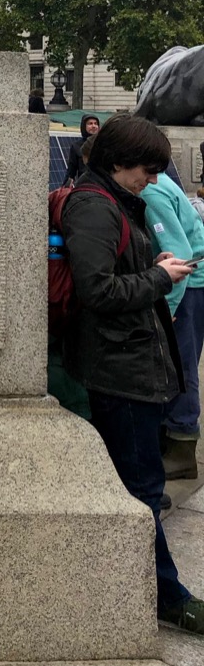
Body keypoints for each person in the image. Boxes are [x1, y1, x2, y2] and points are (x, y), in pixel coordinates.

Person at [59, 113, 203, 634]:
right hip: (120, 369)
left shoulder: (113, 199)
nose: (154, 178)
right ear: (120, 162)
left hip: (129, 362)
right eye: (148, 168)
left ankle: (144, 586)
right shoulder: (95, 207)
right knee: (141, 486)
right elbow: (98, 291)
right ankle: (167, 596)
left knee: (140, 482)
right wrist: (159, 277)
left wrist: (153, 267)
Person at [143, 172, 204, 482]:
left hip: (187, 284)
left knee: (180, 366)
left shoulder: (150, 192)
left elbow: (179, 253)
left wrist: (167, 308)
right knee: (182, 362)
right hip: (191, 284)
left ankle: (182, 448)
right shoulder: (159, 182)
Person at [63, 113, 101, 185]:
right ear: (84, 126)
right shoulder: (76, 146)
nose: (93, 126)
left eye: (96, 123)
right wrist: (64, 187)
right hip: (84, 185)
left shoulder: (104, 144)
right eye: (90, 123)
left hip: (102, 185)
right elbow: (71, 171)